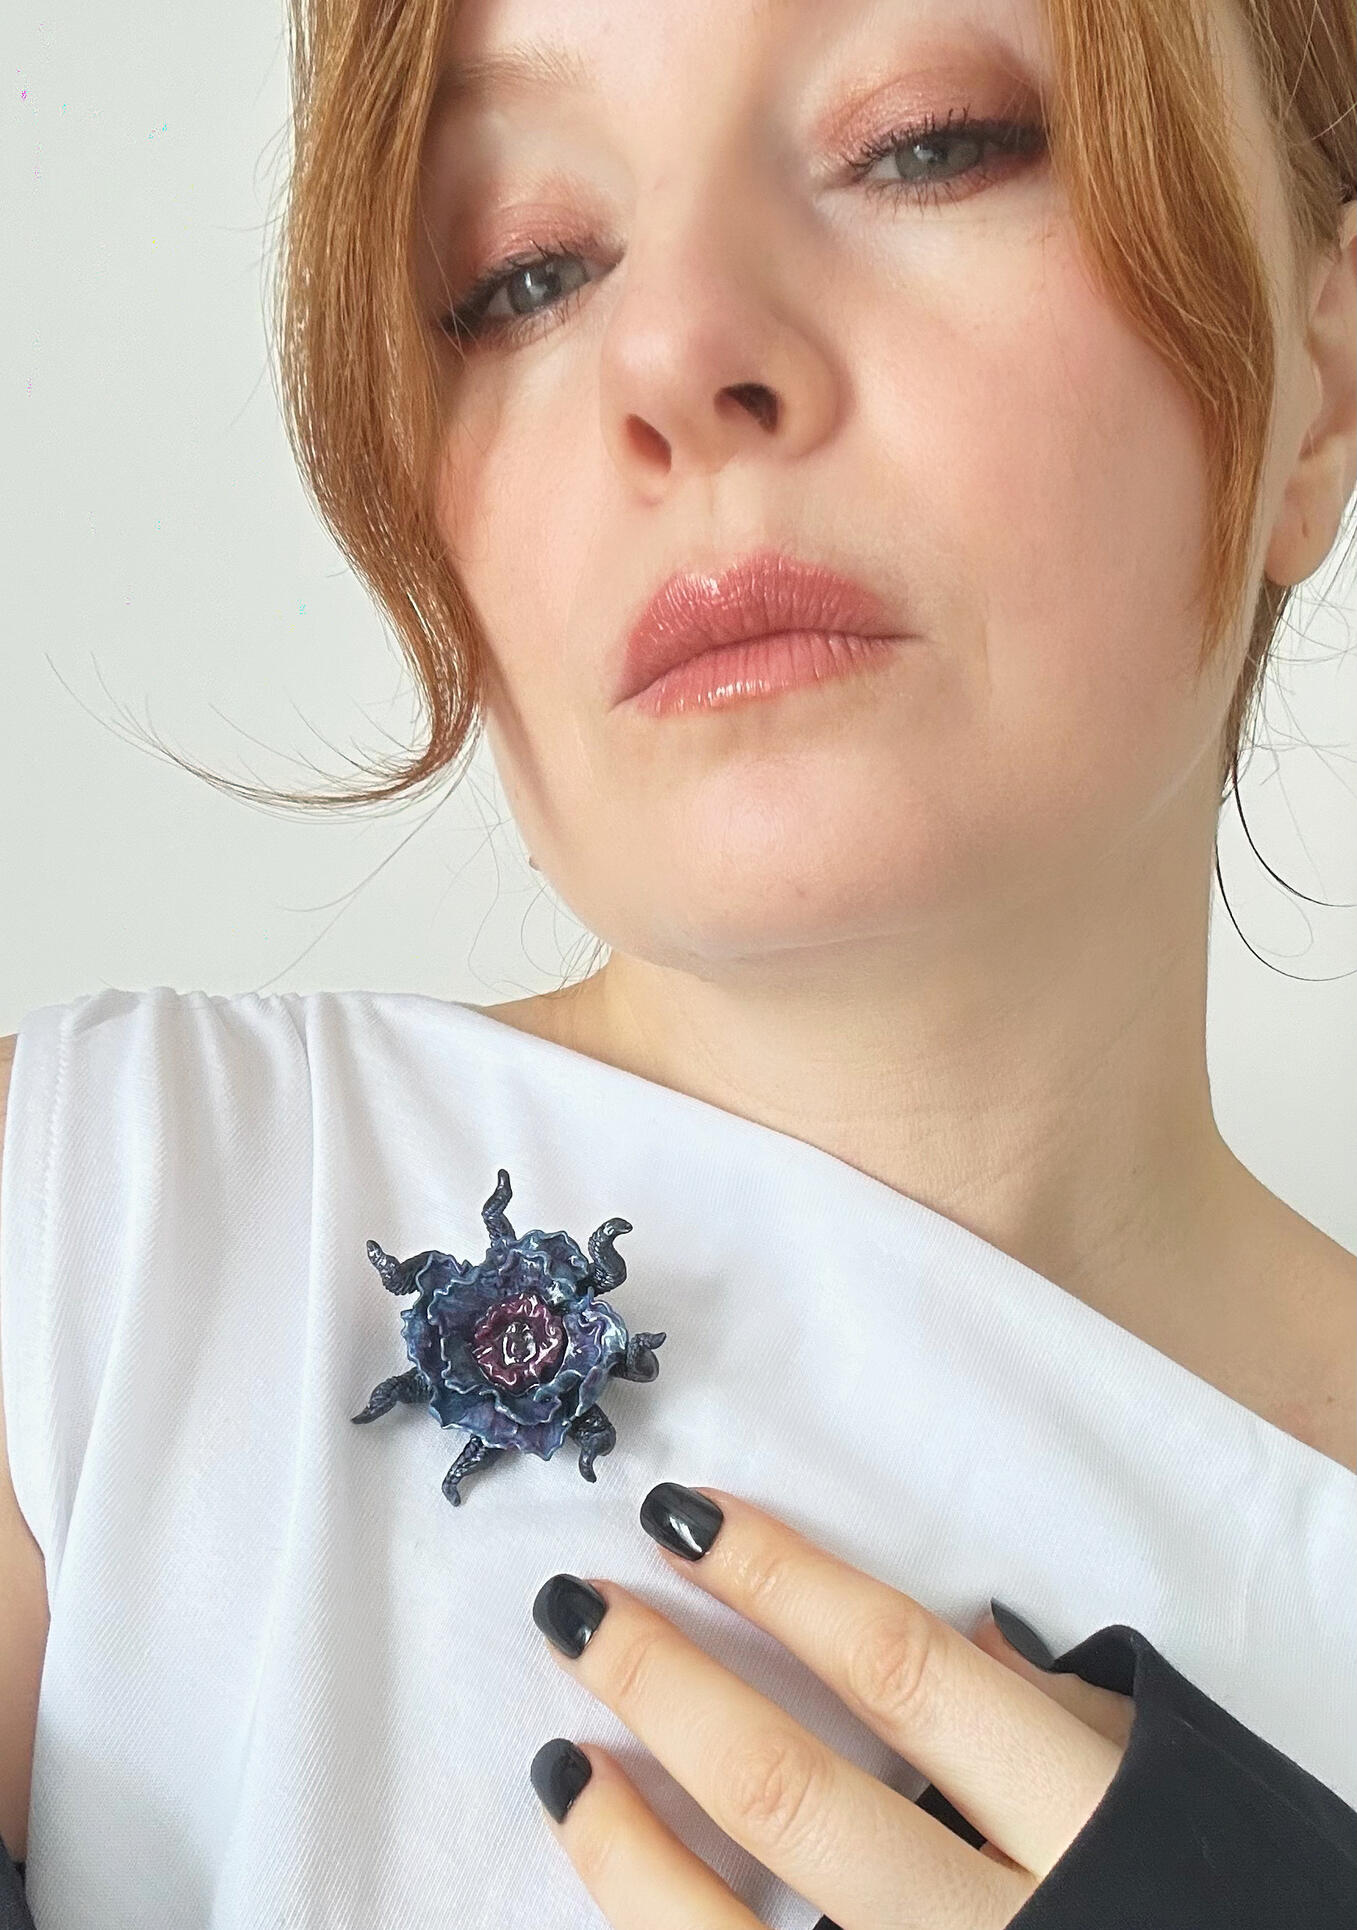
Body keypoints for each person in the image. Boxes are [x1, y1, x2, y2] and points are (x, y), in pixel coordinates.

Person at [2, 0, 1355, 1924]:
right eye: (522, 268)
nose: (676, 351)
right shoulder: (84, 1246)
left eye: (925, 142)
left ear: (1321, 377)